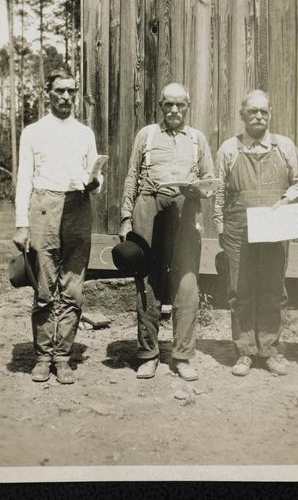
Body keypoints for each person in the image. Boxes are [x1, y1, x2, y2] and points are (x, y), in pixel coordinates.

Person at [119, 83, 215, 381]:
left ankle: (183, 356)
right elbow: (132, 175)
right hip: (149, 208)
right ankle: (148, 355)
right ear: (160, 106)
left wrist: (200, 190)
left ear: (188, 106)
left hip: (185, 212)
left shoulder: (198, 139)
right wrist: (125, 217)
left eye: (180, 105)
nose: (174, 110)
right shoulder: (146, 135)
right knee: (148, 283)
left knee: (187, 284)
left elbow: (210, 181)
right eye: (168, 105)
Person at [13, 69, 102, 384]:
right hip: (44, 208)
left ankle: (63, 357)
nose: (66, 97)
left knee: (73, 287)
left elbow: (95, 173)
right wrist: (21, 224)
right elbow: (24, 178)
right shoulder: (34, 132)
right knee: (45, 287)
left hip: (79, 207)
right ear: (47, 93)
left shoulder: (84, 133)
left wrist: (95, 183)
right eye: (60, 91)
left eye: (71, 91)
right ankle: (42, 356)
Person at [213, 90, 298, 377]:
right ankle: (244, 352)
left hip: (275, 224)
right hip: (237, 226)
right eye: (253, 111)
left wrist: (289, 196)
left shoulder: (285, 147)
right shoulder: (229, 149)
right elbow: (219, 192)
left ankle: (269, 351)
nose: (258, 116)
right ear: (242, 115)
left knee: (272, 289)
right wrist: (219, 225)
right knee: (240, 290)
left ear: (270, 114)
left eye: (263, 112)